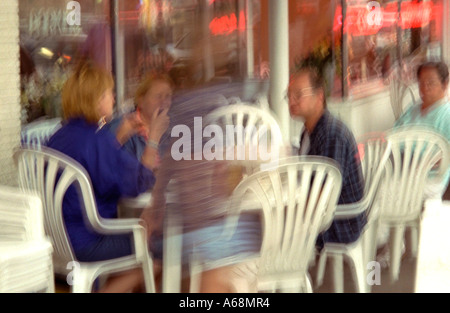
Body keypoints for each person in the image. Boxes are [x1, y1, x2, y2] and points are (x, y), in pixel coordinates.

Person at [46, 60, 169, 293]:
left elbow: (94, 167)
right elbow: (140, 182)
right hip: (88, 241)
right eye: (109, 93)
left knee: (137, 239)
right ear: (96, 99)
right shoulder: (96, 139)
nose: (113, 98)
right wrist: (153, 137)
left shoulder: (59, 137)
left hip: (58, 241)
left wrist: (120, 135)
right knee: (162, 244)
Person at [287, 65, 365, 250]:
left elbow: (322, 197)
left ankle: (290, 276)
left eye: (298, 94)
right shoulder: (309, 130)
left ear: (319, 96)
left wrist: (287, 214)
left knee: (271, 230)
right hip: (327, 213)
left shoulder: (331, 134)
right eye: (288, 95)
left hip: (341, 222)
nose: (291, 101)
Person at [394, 61, 450, 199]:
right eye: (421, 83)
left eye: (431, 83)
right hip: (401, 173)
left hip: (429, 178)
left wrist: (422, 163)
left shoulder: (446, 114)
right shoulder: (412, 110)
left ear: (444, 84)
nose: (424, 88)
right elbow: (393, 136)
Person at [107, 73, 174, 161]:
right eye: (158, 96)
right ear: (141, 100)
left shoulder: (171, 128)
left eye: (167, 96)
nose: (164, 101)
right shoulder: (121, 127)